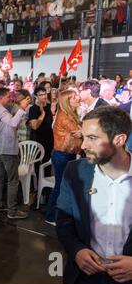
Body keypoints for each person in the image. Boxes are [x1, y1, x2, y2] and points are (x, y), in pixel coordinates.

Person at [57, 106, 132, 284]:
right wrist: (77, 250)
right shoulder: (75, 172)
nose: (83, 146)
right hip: (84, 277)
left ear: (119, 139)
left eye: (92, 138)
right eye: (83, 137)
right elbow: (64, 222)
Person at [0, 87, 31, 219]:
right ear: (1, 98)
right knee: (13, 180)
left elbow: (12, 123)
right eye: (8, 97)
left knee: (0, 178)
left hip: (1, 149)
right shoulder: (0, 110)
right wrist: (23, 108)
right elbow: (13, 123)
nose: (10, 99)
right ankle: (12, 211)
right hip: (7, 149)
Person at [46, 89, 83, 226]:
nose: (78, 99)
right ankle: (50, 216)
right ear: (67, 102)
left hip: (67, 153)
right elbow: (78, 132)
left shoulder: (70, 114)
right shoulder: (64, 116)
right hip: (62, 154)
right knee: (60, 186)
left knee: (63, 185)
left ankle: (56, 214)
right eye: (74, 98)